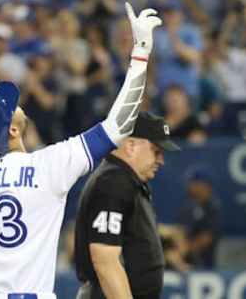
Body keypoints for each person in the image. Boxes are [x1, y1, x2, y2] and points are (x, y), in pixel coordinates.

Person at [0, 2, 162, 298]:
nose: (16, 105)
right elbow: (119, 125)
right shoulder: (48, 167)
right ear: (11, 130)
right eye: (11, 108)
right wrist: (140, 53)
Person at [74, 112, 180, 299]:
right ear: (131, 146)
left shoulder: (127, 181)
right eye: (156, 151)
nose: (161, 160)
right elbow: (105, 260)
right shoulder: (112, 183)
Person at [178, 166, 221, 269]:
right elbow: (180, 230)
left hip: (204, 265)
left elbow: (208, 237)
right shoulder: (188, 206)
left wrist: (186, 248)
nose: (190, 186)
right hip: (185, 263)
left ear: (204, 185)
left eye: (194, 183)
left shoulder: (212, 207)